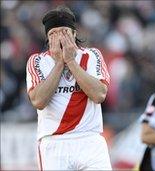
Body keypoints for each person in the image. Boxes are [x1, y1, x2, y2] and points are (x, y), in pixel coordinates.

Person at [26, 6, 112, 170]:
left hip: (90, 139)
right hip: (54, 142)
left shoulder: (92, 55)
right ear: (47, 39)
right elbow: (38, 101)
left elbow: (99, 95)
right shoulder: (37, 61)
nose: (59, 38)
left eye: (64, 32)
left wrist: (71, 61)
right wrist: (59, 63)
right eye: (53, 34)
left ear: (74, 34)